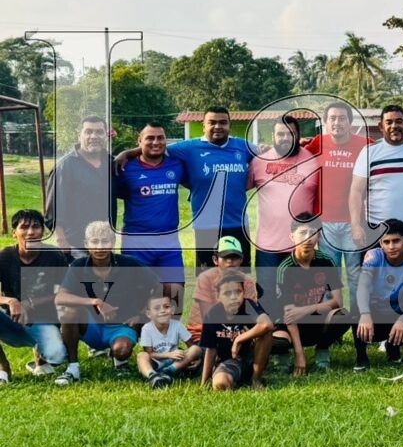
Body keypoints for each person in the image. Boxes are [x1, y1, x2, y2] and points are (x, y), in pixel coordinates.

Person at [133, 106, 252, 269]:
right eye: (212, 122)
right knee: (207, 278)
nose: (217, 126)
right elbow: (155, 147)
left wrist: (300, 142)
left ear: (230, 126)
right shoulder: (188, 148)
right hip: (206, 225)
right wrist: (126, 154)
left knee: (240, 277)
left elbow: (270, 154)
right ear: (204, 126)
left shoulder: (243, 146)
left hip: (238, 224)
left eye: (223, 122)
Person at [54, 220, 162, 385]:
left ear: (113, 243)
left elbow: (159, 287)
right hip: (91, 326)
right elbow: (60, 297)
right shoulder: (78, 265)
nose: (100, 247)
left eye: (105, 241)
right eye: (95, 241)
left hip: (122, 325)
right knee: (69, 313)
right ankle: (73, 368)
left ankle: (119, 361)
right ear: (86, 244)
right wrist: (95, 301)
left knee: (121, 350)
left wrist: (142, 315)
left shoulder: (130, 263)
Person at [304, 101, 372, 320]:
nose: (337, 122)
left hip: (353, 222)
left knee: (354, 275)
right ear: (325, 122)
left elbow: (390, 147)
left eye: (342, 118)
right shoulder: (317, 143)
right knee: (328, 277)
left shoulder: (366, 144)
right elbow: (293, 155)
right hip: (324, 224)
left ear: (350, 123)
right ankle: (331, 326)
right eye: (332, 118)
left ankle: (356, 320)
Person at [248, 115, 320, 296]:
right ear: (273, 136)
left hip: (302, 245)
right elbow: (238, 188)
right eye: (280, 134)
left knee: (301, 297)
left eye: (291, 134)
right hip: (267, 246)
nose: (285, 138)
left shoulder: (313, 161)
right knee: (267, 297)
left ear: (298, 135)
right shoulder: (259, 162)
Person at [114, 121, 185, 302]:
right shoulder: (125, 168)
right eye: (150, 138)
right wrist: (127, 154)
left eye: (160, 138)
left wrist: (129, 151)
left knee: (175, 291)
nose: (156, 142)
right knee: (137, 294)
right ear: (139, 141)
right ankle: (138, 330)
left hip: (168, 242)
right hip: (136, 241)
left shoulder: (176, 165)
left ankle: (172, 330)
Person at [350, 105, 403, 256]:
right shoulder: (369, 152)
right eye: (389, 122)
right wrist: (356, 226)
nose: (394, 126)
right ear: (381, 127)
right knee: (374, 277)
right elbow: (356, 191)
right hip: (377, 228)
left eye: (399, 121)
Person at [0, 209, 69, 380]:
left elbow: (67, 292)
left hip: (42, 321)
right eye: (24, 227)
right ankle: (3, 368)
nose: (30, 232)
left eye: (36, 227)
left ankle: (40, 358)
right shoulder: (5, 257)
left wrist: (30, 302)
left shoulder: (54, 256)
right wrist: (11, 300)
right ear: (14, 233)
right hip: (11, 321)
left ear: (43, 232)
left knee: (57, 355)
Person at [272, 216, 346, 373]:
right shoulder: (285, 268)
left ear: (319, 236)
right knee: (277, 340)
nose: (307, 238)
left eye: (312, 233)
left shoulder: (326, 262)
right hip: (288, 324)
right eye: (302, 232)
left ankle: (322, 350)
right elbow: (289, 315)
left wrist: (306, 309)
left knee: (344, 316)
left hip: (314, 319)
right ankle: (284, 355)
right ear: (292, 236)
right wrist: (300, 354)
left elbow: (338, 301)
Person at [354, 219, 403, 371]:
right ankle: (361, 356)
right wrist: (365, 314)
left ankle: (392, 345)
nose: (391, 247)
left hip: (394, 314)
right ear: (381, 243)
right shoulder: (373, 256)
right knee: (355, 310)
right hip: (372, 316)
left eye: (396, 241)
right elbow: (363, 286)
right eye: (386, 242)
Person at [45, 115, 116, 258]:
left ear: (106, 136)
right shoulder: (66, 166)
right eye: (88, 131)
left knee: (106, 280)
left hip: (105, 243)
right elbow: (53, 208)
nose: (94, 136)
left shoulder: (112, 163)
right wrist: (61, 240)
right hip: (75, 245)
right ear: (79, 135)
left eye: (99, 132)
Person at [199, 271, 274, 391]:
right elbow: (210, 349)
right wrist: (204, 381)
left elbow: (267, 324)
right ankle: (233, 380)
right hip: (229, 362)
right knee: (220, 384)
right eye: (227, 293)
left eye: (238, 292)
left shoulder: (249, 306)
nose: (233, 297)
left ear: (243, 292)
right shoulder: (212, 314)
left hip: (253, 359)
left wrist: (239, 339)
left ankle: (256, 379)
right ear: (218, 296)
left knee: (266, 333)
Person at [185, 236, 259, 343]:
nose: (230, 262)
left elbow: (250, 313)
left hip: (236, 330)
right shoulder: (205, 278)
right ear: (215, 260)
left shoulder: (247, 281)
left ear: (241, 260)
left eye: (234, 257)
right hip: (203, 331)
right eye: (225, 258)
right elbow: (208, 317)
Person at [136, 294, 202, 388]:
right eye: (157, 308)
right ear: (149, 314)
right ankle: (152, 375)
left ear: (173, 310)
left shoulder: (177, 325)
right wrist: (168, 354)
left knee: (196, 349)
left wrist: (197, 358)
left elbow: (191, 345)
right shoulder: (147, 328)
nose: (162, 311)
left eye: (166, 307)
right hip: (156, 362)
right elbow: (149, 353)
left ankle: (168, 372)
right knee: (142, 355)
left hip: (175, 362)